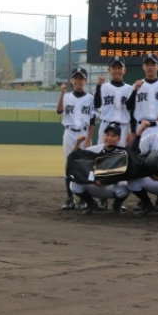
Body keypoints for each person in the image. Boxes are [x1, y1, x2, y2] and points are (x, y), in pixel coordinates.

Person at [125, 52, 158, 210]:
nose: (150, 67)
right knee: (139, 162)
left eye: (153, 64)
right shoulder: (137, 85)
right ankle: (144, 199)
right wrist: (135, 90)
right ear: (143, 66)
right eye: (147, 64)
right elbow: (129, 108)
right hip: (141, 127)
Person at [68, 123, 130, 215]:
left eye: (113, 136)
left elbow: (125, 174)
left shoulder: (123, 153)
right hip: (94, 185)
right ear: (103, 136)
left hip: (111, 187)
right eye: (107, 135)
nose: (109, 138)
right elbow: (75, 156)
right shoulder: (95, 149)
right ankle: (91, 203)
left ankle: (117, 205)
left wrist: (106, 181)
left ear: (119, 139)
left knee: (125, 185)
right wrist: (77, 143)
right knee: (74, 184)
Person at [58, 67, 97, 211]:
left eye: (81, 78)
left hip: (84, 132)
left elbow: (92, 121)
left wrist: (89, 139)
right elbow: (59, 111)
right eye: (76, 78)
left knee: (84, 165)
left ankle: (82, 199)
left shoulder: (90, 98)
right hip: (69, 132)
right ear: (71, 80)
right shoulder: (66, 96)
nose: (78, 81)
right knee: (69, 164)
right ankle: (70, 198)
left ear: (85, 81)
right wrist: (62, 94)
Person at [94, 56, 133, 147]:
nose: (117, 70)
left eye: (119, 68)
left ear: (124, 70)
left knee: (121, 154)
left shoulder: (130, 89)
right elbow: (97, 105)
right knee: (102, 153)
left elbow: (133, 111)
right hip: (106, 125)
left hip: (123, 127)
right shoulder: (103, 88)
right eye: (114, 67)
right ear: (109, 70)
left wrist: (132, 131)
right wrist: (98, 86)